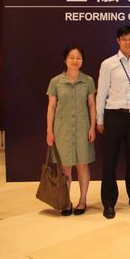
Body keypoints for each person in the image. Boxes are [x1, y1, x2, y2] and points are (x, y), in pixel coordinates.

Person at [96, 25, 130, 219]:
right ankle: (109, 202)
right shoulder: (108, 64)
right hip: (114, 116)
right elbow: (101, 93)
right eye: (124, 39)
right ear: (118, 41)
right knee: (110, 161)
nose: (128, 42)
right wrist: (100, 119)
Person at [46, 45, 96, 216]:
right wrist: (49, 131)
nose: (75, 61)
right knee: (65, 168)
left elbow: (92, 105)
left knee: (83, 165)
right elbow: (51, 107)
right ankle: (66, 201)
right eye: (72, 57)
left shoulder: (88, 80)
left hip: (83, 129)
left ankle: (83, 200)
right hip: (62, 130)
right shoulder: (56, 82)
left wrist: (92, 127)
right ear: (65, 60)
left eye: (79, 58)